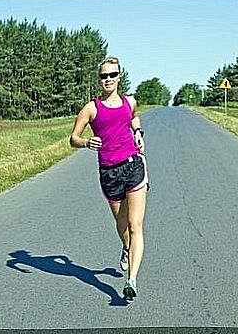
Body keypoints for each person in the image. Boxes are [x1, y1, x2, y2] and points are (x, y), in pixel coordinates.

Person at [69, 57, 149, 301]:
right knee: (122, 225)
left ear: (119, 76)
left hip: (133, 165)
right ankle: (126, 248)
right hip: (109, 172)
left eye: (112, 75)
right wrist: (85, 142)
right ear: (99, 79)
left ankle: (131, 281)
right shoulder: (91, 108)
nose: (108, 80)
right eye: (104, 76)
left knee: (136, 226)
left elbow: (133, 116)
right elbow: (73, 138)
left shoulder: (129, 102)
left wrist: (137, 133)